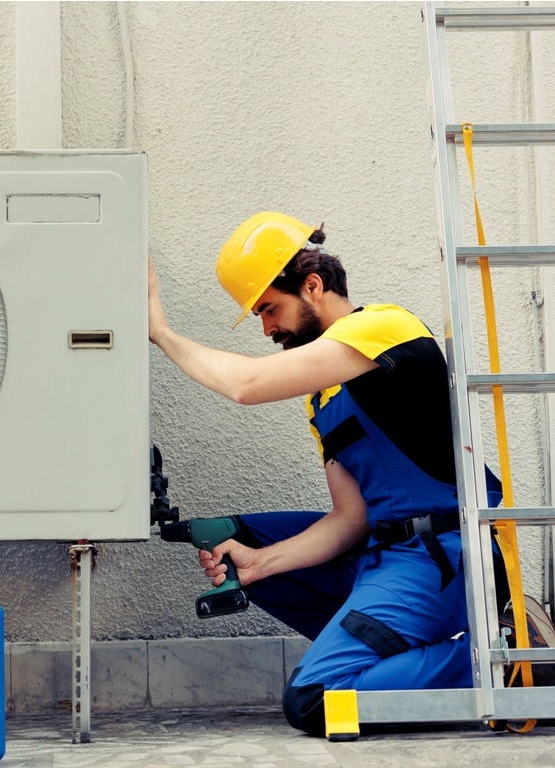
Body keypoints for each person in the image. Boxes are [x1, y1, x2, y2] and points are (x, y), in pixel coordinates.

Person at [147, 211, 505, 736]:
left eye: (270, 309)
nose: (267, 329)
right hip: (382, 554)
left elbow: (246, 384)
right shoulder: (324, 396)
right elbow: (349, 519)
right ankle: (396, 656)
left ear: (313, 286)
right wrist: (258, 565)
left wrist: (160, 332)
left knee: (316, 702)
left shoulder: (385, 328)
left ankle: (507, 659)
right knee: (235, 542)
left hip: (443, 555)